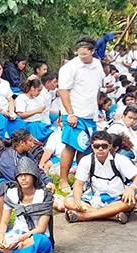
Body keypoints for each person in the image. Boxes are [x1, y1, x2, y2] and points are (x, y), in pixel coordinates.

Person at [0, 157, 53, 253]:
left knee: (40, 241)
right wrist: (1, 238)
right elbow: (4, 222)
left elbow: (41, 229)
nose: (23, 178)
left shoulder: (44, 195)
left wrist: (19, 240)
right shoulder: (12, 193)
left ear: (34, 176)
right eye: (20, 175)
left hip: (33, 236)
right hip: (16, 233)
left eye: (27, 175)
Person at [64, 131, 137, 224]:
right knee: (68, 201)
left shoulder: (120, 159)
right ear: (92, 146)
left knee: (130, 203)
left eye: (104, 146)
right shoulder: (86, 160)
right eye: (97, 146)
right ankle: (112, 216)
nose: (100, 149)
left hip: (116, 197)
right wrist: (78, 200)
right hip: (95, 198)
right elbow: (78, 184)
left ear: (110, 146)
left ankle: (85, 216)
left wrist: (132, 188)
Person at [57, 37, 105, 192]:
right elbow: (63, 91)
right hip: (74, 113)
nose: (82, 56)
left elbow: (98, 88)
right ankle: (63, 180)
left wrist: (97, 109)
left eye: (85, 54)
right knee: (71, 146)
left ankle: (81, 180)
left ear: (92, 51)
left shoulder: (97, 65)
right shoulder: (70, 67)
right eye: (79, 53)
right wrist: (70, 114)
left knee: (85, 148)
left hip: (90, 113)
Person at [0, 129, 56, 193]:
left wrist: (47, 181)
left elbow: (37, 169)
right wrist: (42, 187)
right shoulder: (8, 158)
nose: (33, 144)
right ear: (22, 143)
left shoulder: (26, 153)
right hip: (5, 187)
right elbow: (17, 180)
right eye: (30, 141)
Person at [15, 78, 54, 143]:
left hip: (39, 124)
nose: (39, 93)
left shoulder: (36, 98)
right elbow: (20, 114)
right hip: (30, 125)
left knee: (55, 131)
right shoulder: (22, 98)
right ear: (32, 88)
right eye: (38, 90)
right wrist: (36, 111)